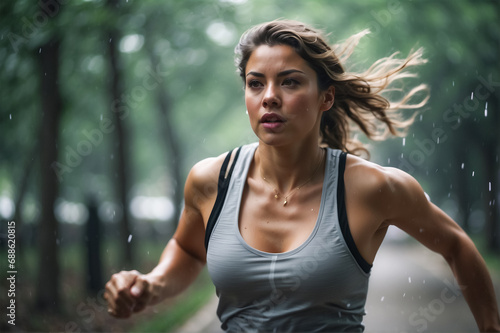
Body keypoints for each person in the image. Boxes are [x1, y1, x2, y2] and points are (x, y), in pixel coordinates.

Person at [104, 19, 500, 332]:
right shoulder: (211, 181)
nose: (269, 96)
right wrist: (151, 285)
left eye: (289, 81)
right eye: (255, 83)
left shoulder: (372, 187)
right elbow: (190, 252)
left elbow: (456, 245)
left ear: (325, 97)